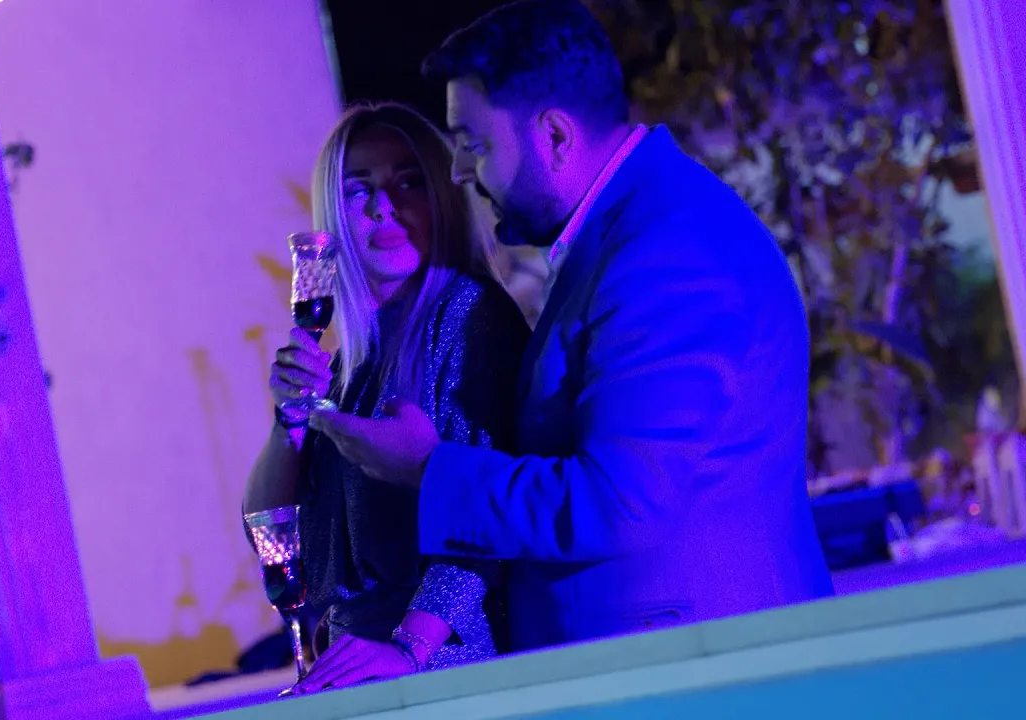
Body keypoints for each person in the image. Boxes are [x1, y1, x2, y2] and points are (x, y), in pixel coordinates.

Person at [310, 0, 835, 653]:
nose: (460, 171)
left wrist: (429, 468)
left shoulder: (664, 250)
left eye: (474, 144)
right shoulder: (623, 235)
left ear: (554, 137)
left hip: (696, 662)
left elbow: (619, 501)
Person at [242, 102, 529, 691]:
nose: (384, 206)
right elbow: (269, 534)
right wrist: (287, 421)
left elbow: (484, 510)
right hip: (362, 661)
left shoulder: (471, 316)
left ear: (443, 195)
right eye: (359, 189)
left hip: (449, 664)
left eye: (409, 182)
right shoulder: (349, 362)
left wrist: (409, 647)